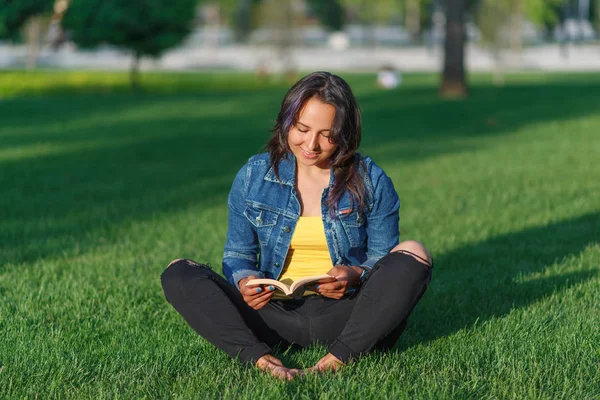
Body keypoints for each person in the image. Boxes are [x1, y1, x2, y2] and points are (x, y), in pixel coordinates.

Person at [161, 71, 433, 380]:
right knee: (179, 271)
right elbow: (238, 254)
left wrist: (355, 274)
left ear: (345, 133)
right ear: (286, 121)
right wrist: (246, 282)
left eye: (327, 134)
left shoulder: (371, 180)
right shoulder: (254, 175)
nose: (311, 145)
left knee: (414, 252)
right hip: (272, 317)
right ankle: (262, 359)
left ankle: (337, 359)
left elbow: (384, 257)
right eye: (302, 129)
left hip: (348, 314)